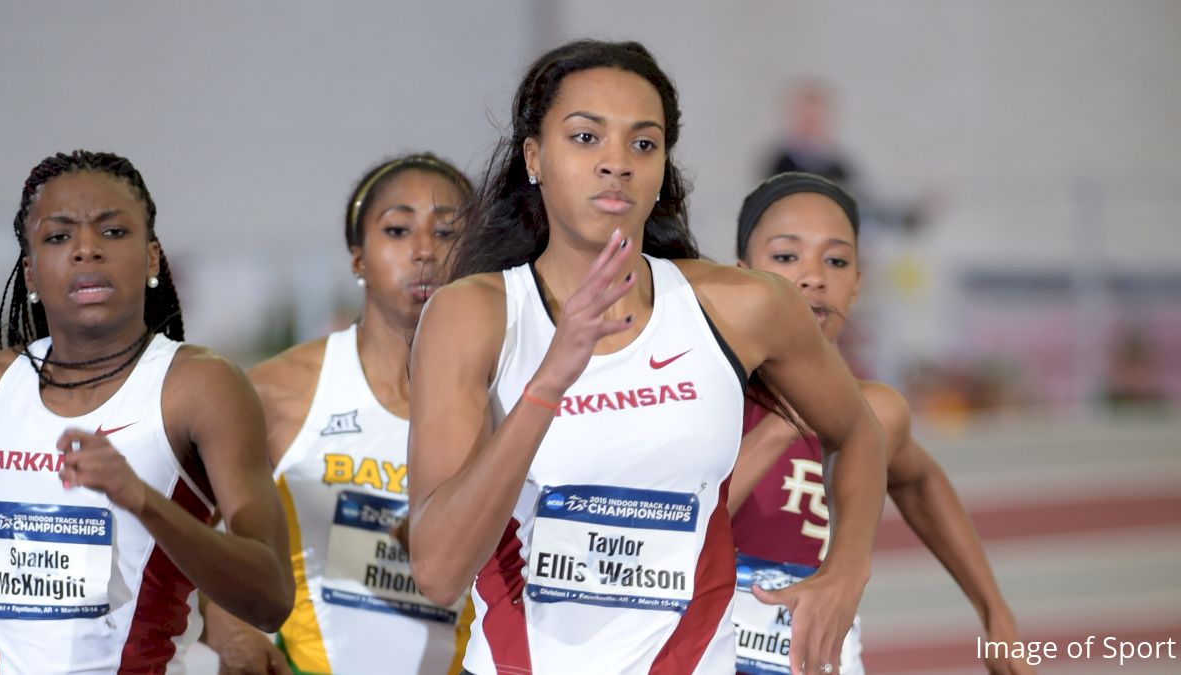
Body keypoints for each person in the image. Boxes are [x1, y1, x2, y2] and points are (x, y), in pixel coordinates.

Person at [406, 40, 887, 675]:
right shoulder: (474, 315)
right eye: (585, 138)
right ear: (534, 157)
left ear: (662, 168)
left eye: (642, 144)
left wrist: (846, 570)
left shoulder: (740, 307)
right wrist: (550, 379)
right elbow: (438, 574)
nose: (616, 164)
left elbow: (857, 432)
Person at [0, 150, 293, 674]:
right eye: (59, 237)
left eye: (113, 232)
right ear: (30, 273)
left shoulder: (198, 386)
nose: (86, 251)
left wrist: (142, 500)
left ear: (152, 259)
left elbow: (271, 597)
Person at [728, 172, 1033, 675]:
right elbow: (684, 527)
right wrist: (784, 424)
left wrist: (995, 612)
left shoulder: (875, 413)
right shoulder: (709, 394)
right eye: (786, 256)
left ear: (857, 283)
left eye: (837, 260)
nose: (813, 276)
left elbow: (919, 480)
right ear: (742, 276)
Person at [202, 154, 475, 675]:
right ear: (357, 259)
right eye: (397, 230)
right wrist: (229, 626)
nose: (423, 251)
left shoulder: (508, 400)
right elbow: (192, 540)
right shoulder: (275, 393)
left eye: (447, 233)